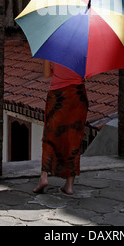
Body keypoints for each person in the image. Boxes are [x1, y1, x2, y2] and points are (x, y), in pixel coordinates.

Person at [33, 60, 88, 195]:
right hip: (78, 97)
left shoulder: (53, 48)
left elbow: (47, 74)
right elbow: (88, 76)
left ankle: (44, 177)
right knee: (74, 139)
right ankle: (69, 184)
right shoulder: (84, 49)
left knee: (50, 137)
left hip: (58, 96)